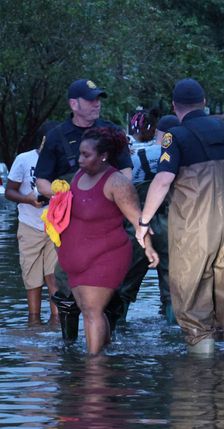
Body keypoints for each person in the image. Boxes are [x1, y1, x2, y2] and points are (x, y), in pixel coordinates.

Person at [136, 78, 224, 356]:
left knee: (192, 298)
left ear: (174, 107)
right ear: (204, 103)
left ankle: (200, 378)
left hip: (194, 228)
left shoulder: (175, 136)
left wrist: (144, 222)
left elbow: (163, 180)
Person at [34, 78, 136, 341]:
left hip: (107, 220)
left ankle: (110, 342)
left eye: (98, 99)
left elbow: (126, 169)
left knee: (113, 290)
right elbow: (41, 179)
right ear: (73, 104)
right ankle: (69, 346)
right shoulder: (56, 136)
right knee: (66, 287)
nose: (97, 104)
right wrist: (60, 193)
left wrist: (113, 191)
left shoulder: (111, 132)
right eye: (91, 100)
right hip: (70, 225)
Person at [55, 127, 158, 355]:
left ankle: (94, 369)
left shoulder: (117, 183)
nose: (80, 160)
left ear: (103, 156)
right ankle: (106, 356)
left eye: (86, 155)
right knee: (88, 310)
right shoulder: (80, 176)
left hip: (106, 257)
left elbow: (137, 220)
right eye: (80, 154)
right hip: (77, 259)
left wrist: (148, 247)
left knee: (92, 311)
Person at [6, 130, 58, 326]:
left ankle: (57, 323)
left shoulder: (61, 159)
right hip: (29, 225)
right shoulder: (24, 159)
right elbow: (9, 192)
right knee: (32, 280)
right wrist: (27, 199)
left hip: (57, 227)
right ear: (44, 139)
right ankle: (33, 324)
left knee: (55, 277)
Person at [128, 114, 177, 316]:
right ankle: (174, 334)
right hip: (170, 223)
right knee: (172, 285)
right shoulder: (178, 154)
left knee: (127, 281)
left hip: (137, 222)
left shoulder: (134, 156)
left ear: (157, 132)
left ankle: (115, 330)